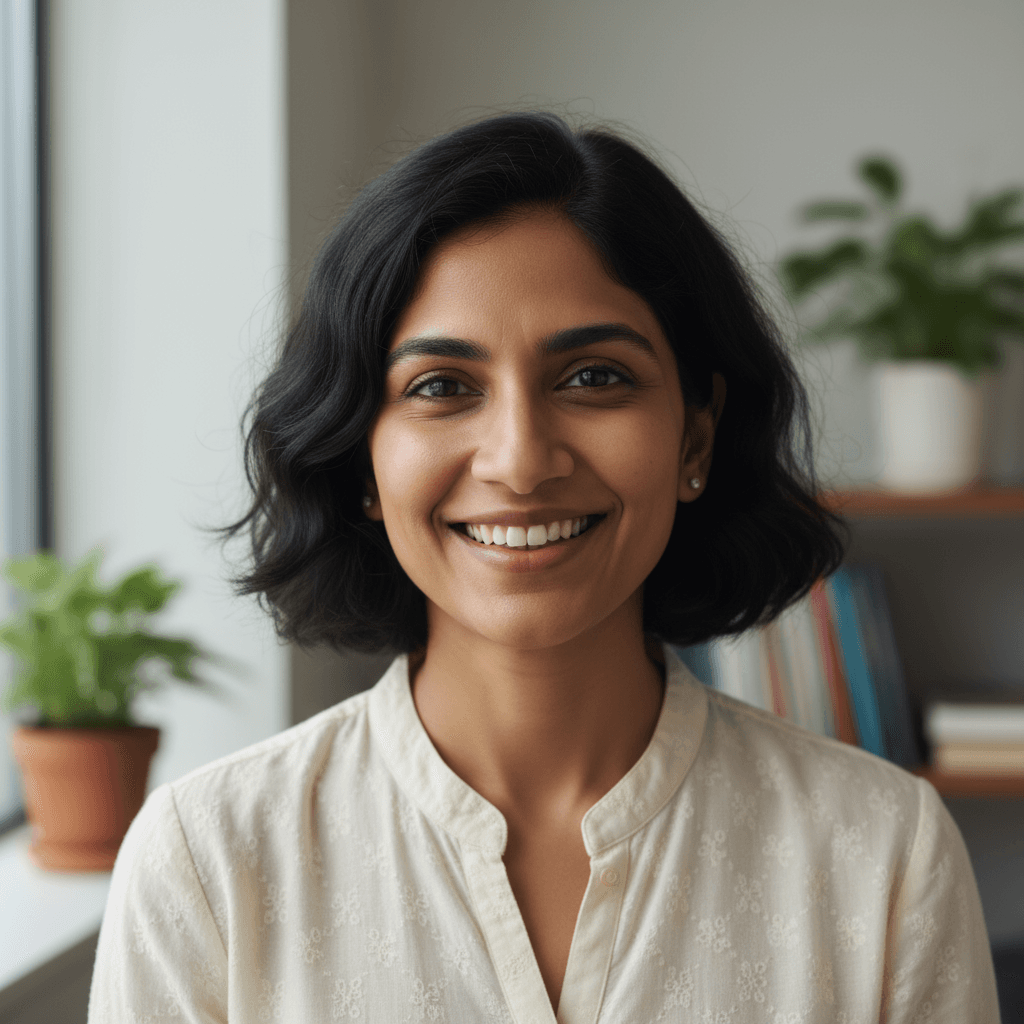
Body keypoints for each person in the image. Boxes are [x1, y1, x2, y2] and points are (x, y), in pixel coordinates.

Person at [88, 112, 1000, 1023]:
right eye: (442, 387)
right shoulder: (208, 864)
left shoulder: (883, 857)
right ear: (361, 460)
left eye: (594, 377)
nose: (521, 462)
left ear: (695, 434)